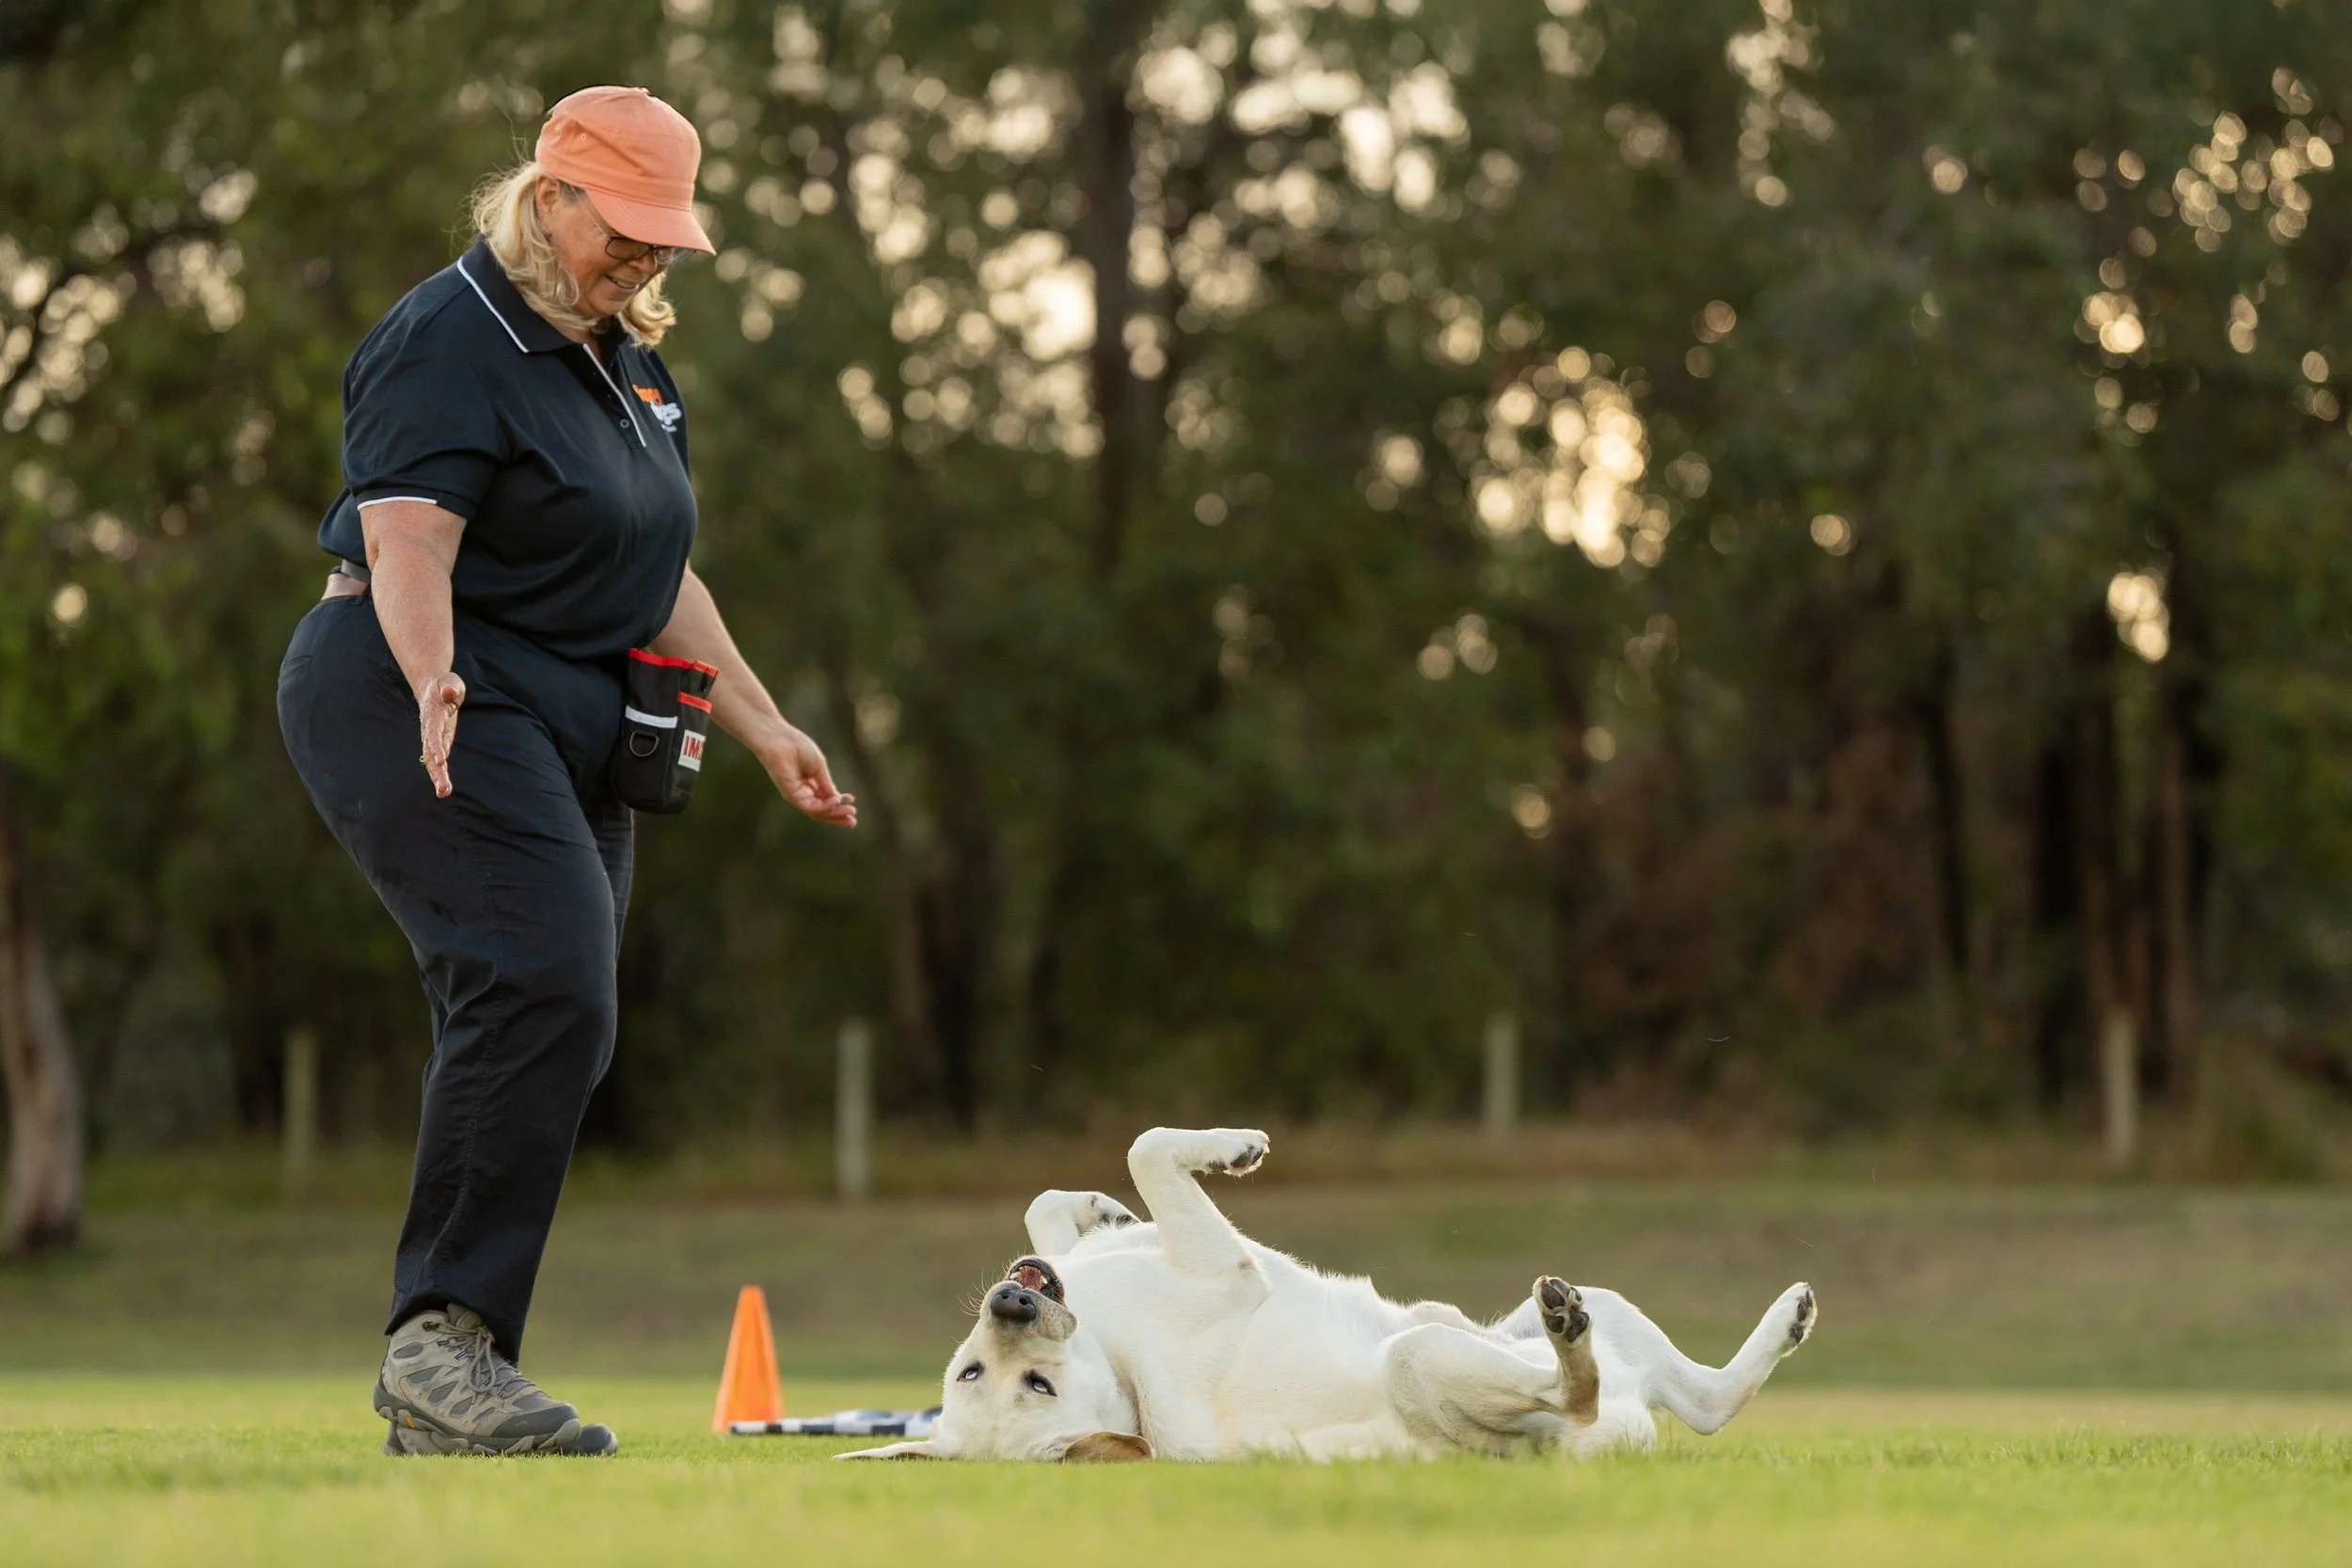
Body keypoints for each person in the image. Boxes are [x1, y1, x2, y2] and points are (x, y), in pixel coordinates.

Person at [276, 86, 855, 1457]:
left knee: (567, 1001)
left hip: (568, 710)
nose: (647, 257)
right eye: (626, 230)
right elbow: (409, 541)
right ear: (551, 199)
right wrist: (431, 676)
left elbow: (652, 569)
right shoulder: (446, 339)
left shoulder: (626, 365)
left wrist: (764, 720)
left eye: (667, 237)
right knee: (536, 973)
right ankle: (439, 1348)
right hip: (414, 682)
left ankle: (456, 1358)